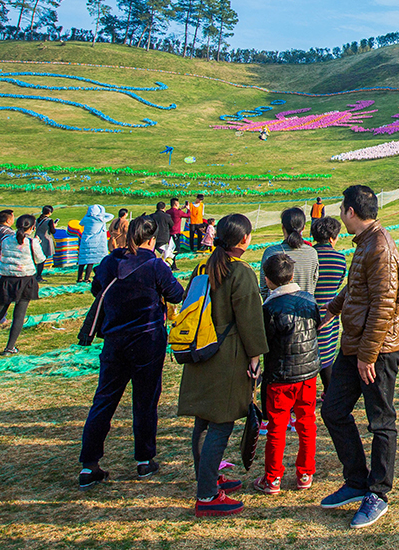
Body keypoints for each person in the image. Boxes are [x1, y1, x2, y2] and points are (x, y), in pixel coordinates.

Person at [320, 185, 399, 529]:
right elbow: (357, 288)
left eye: (342, 209)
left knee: (381, 420)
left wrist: (368, 356)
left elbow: (384, 305)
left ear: (350, 212)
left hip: (377, 349)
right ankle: (356, 479)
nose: (341, 216)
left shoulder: (380, 246)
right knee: (333, 409)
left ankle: (379, 492)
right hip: (355, 344)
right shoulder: (365, 243)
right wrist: (332, 308)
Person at [78, 215, 185, 488]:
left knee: (104, 399)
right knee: (145, 400)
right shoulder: (154, 265)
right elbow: (176, 294)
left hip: (114, 339)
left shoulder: (109, 262)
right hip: (147, 339)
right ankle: (143, 459)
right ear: (152, 240)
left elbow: (96, 289)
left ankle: (89, 464)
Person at [177, 213, 268, 517]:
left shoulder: (203, 266)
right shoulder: (240, 272)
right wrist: (256, 357)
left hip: (200, 352)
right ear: (244, 239)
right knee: (221, 424)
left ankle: (208, 477)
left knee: (203, 422)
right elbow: (250, 318)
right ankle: (206, 495)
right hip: (226, 357)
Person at [255, 252, 322, 494]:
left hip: (280, 375)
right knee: (307, 423)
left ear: (267, 280)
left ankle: (272, 477)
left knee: (277, 426)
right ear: (292, 274)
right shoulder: (309, 300)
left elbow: (265, 341)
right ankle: (305, 472)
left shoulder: (270, 307)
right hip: (308, 373)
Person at [0, 214, 44, 355]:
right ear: (32, 227)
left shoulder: (6, 239)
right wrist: (37, 243)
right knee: (19, 315)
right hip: (25, 279)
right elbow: (40, 259)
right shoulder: (31, 242)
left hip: (6, 279)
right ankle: (9, 347)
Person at [311, 216, 348, 391]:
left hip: (309, 313)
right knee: (327, 355)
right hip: (329, 313)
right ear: (333, 237)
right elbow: (340, 284)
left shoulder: (310, 255)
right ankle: (329, 391)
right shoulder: (339, 259)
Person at [262, 208, 318, 295]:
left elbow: (264, 287)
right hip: (305, 304)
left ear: (283, 227)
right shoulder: (311, 253)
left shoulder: (271, 252)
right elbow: (313, 283)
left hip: (277, 306)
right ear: (303, 228)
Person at [77, 205, 110, 284]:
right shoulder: (100, 219)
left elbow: (80, 223)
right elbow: (110, 216)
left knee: (82, 261)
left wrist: (87, 214)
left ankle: (79, 278)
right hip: (95, 242)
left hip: (85, 242)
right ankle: (86, 278)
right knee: (90, 261)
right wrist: (101, 212)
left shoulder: (86, 219)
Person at [34, 206, 56, 281]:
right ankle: (38, 276)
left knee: (37, 257)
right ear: (50, 212)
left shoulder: (37, 219)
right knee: (42, 259)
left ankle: (35, 274)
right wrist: (54, 226)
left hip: (37, 239)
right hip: (46, 240)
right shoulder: (49, 220)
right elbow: (53, 231)